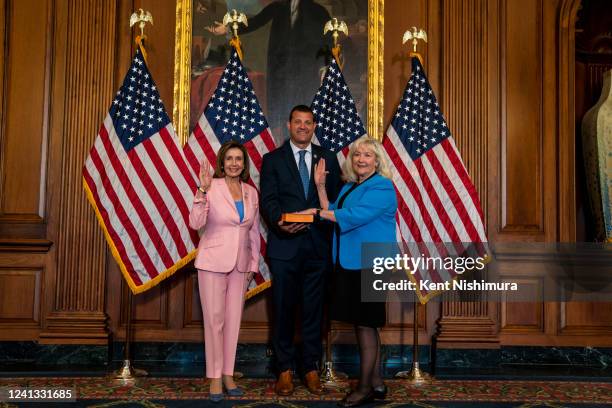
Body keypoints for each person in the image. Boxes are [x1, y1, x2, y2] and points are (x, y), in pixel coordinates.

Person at [259, 105, 343, 396]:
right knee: (282, 310)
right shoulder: (272, 160)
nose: (303, 127)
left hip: (318, 249)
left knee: (313, 312)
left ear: (314, 126)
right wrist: (280, 223)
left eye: (308, 123)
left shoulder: (329, 158)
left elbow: (333, 203)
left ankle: (310, 368)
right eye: (298, 122)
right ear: (289, 125)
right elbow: (267, 201)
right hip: (284, 247)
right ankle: (283, 369)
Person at [309, 136, 397, 407]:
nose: (361, 159)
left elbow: (355, 216)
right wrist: (321, 187)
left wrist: (315, 213)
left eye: (367, 155)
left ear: (377, 161)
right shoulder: (350, 186)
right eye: (357, 155)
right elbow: (333, 211)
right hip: (351, 262)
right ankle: (378, 381)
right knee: (364, 323)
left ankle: (364, 387)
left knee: (366, 324)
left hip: (371, 264)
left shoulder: (382, 187)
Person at [189, 141, 261, 402]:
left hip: (241, 266)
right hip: (212, 262)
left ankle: (229, 374)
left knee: (233, 321)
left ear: (244, 164)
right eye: (229, 158)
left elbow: (253, 233)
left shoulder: (251, 193)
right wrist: (201, 191)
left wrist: (253, 264)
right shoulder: (211, 187)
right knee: (214, 321)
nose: (233, 163)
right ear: (222, 162)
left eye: (238, 159)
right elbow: (195, 222)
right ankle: (215, 377)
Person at [207, 0, 331, 140]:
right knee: (285, 116)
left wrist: (324, 68)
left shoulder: (318, 11)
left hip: (306, 75)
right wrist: (230, 28)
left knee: (305, 116)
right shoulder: (279, 6)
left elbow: (326, 43)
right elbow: (255, 21)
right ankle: (286, 150)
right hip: (281, 75)